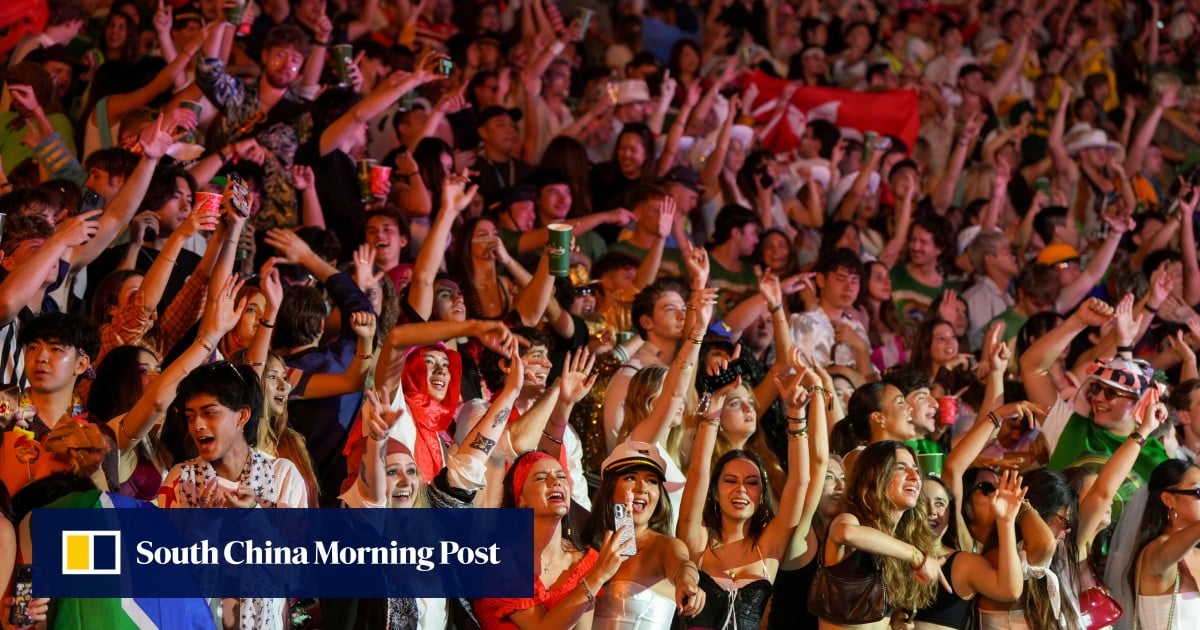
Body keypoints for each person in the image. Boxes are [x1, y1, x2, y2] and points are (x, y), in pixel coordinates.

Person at [472, 450, 631, 629]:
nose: (555, 482)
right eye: (541, 478)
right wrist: (598, 576)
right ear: (521, 499)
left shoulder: (585, 562)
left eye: (561, 476)